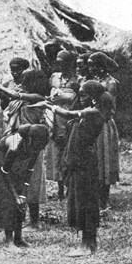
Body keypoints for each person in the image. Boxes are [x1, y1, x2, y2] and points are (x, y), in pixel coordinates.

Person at [37, 80, 110, 256]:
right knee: (82, 201)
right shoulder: (91, 111)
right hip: (81, 161)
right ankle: (89, 243)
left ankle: (86, 245)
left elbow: (68, 113)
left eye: (84, 95)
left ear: (93, 97)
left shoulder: (93, 112)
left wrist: (49, 106)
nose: (81, 98)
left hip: (84, 162)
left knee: (85, 202)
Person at [0, 69, 49, 228]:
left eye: (24, 82)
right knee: (17, 178)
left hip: (32, 142)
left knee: (32, 181)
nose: (21, 84)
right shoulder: (21, 99)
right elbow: (8, 101)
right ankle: (19, 216)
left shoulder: (37, 98)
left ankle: (35, 221)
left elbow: (15, 96)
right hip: (17, 141)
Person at [0, 124, 49, 247]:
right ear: (30, 140)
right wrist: (16, 196)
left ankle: (18, 238)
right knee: (8, 200)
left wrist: (23, 193)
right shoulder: (14, 146)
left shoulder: (37, 146)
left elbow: (29, 170)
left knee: (21, 203)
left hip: (14, 166)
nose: (40, 148)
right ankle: (9, 240)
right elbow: (5, 171)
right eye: (38, 145)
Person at [44, 50, 80, 200]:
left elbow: (78, 99)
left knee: (70, 151)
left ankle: (69, 187)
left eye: (63, 62)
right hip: (56, 117)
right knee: (57, 152)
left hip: (70, 117)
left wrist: (65, 98)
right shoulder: (54, 77)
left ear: (71, 63)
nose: (60, 65)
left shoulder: (78, 79)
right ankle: (59, 189)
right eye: (58, 62)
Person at [89, 52, 120, 209]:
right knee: (94, 159)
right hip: (92, 122)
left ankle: (104, 199)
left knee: (105, 159)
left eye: (93, 65)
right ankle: (94, 196)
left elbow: (108, 106)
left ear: (100, 66)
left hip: (104, 123)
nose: (90, 68)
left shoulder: (110, 83)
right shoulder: (93, 81)